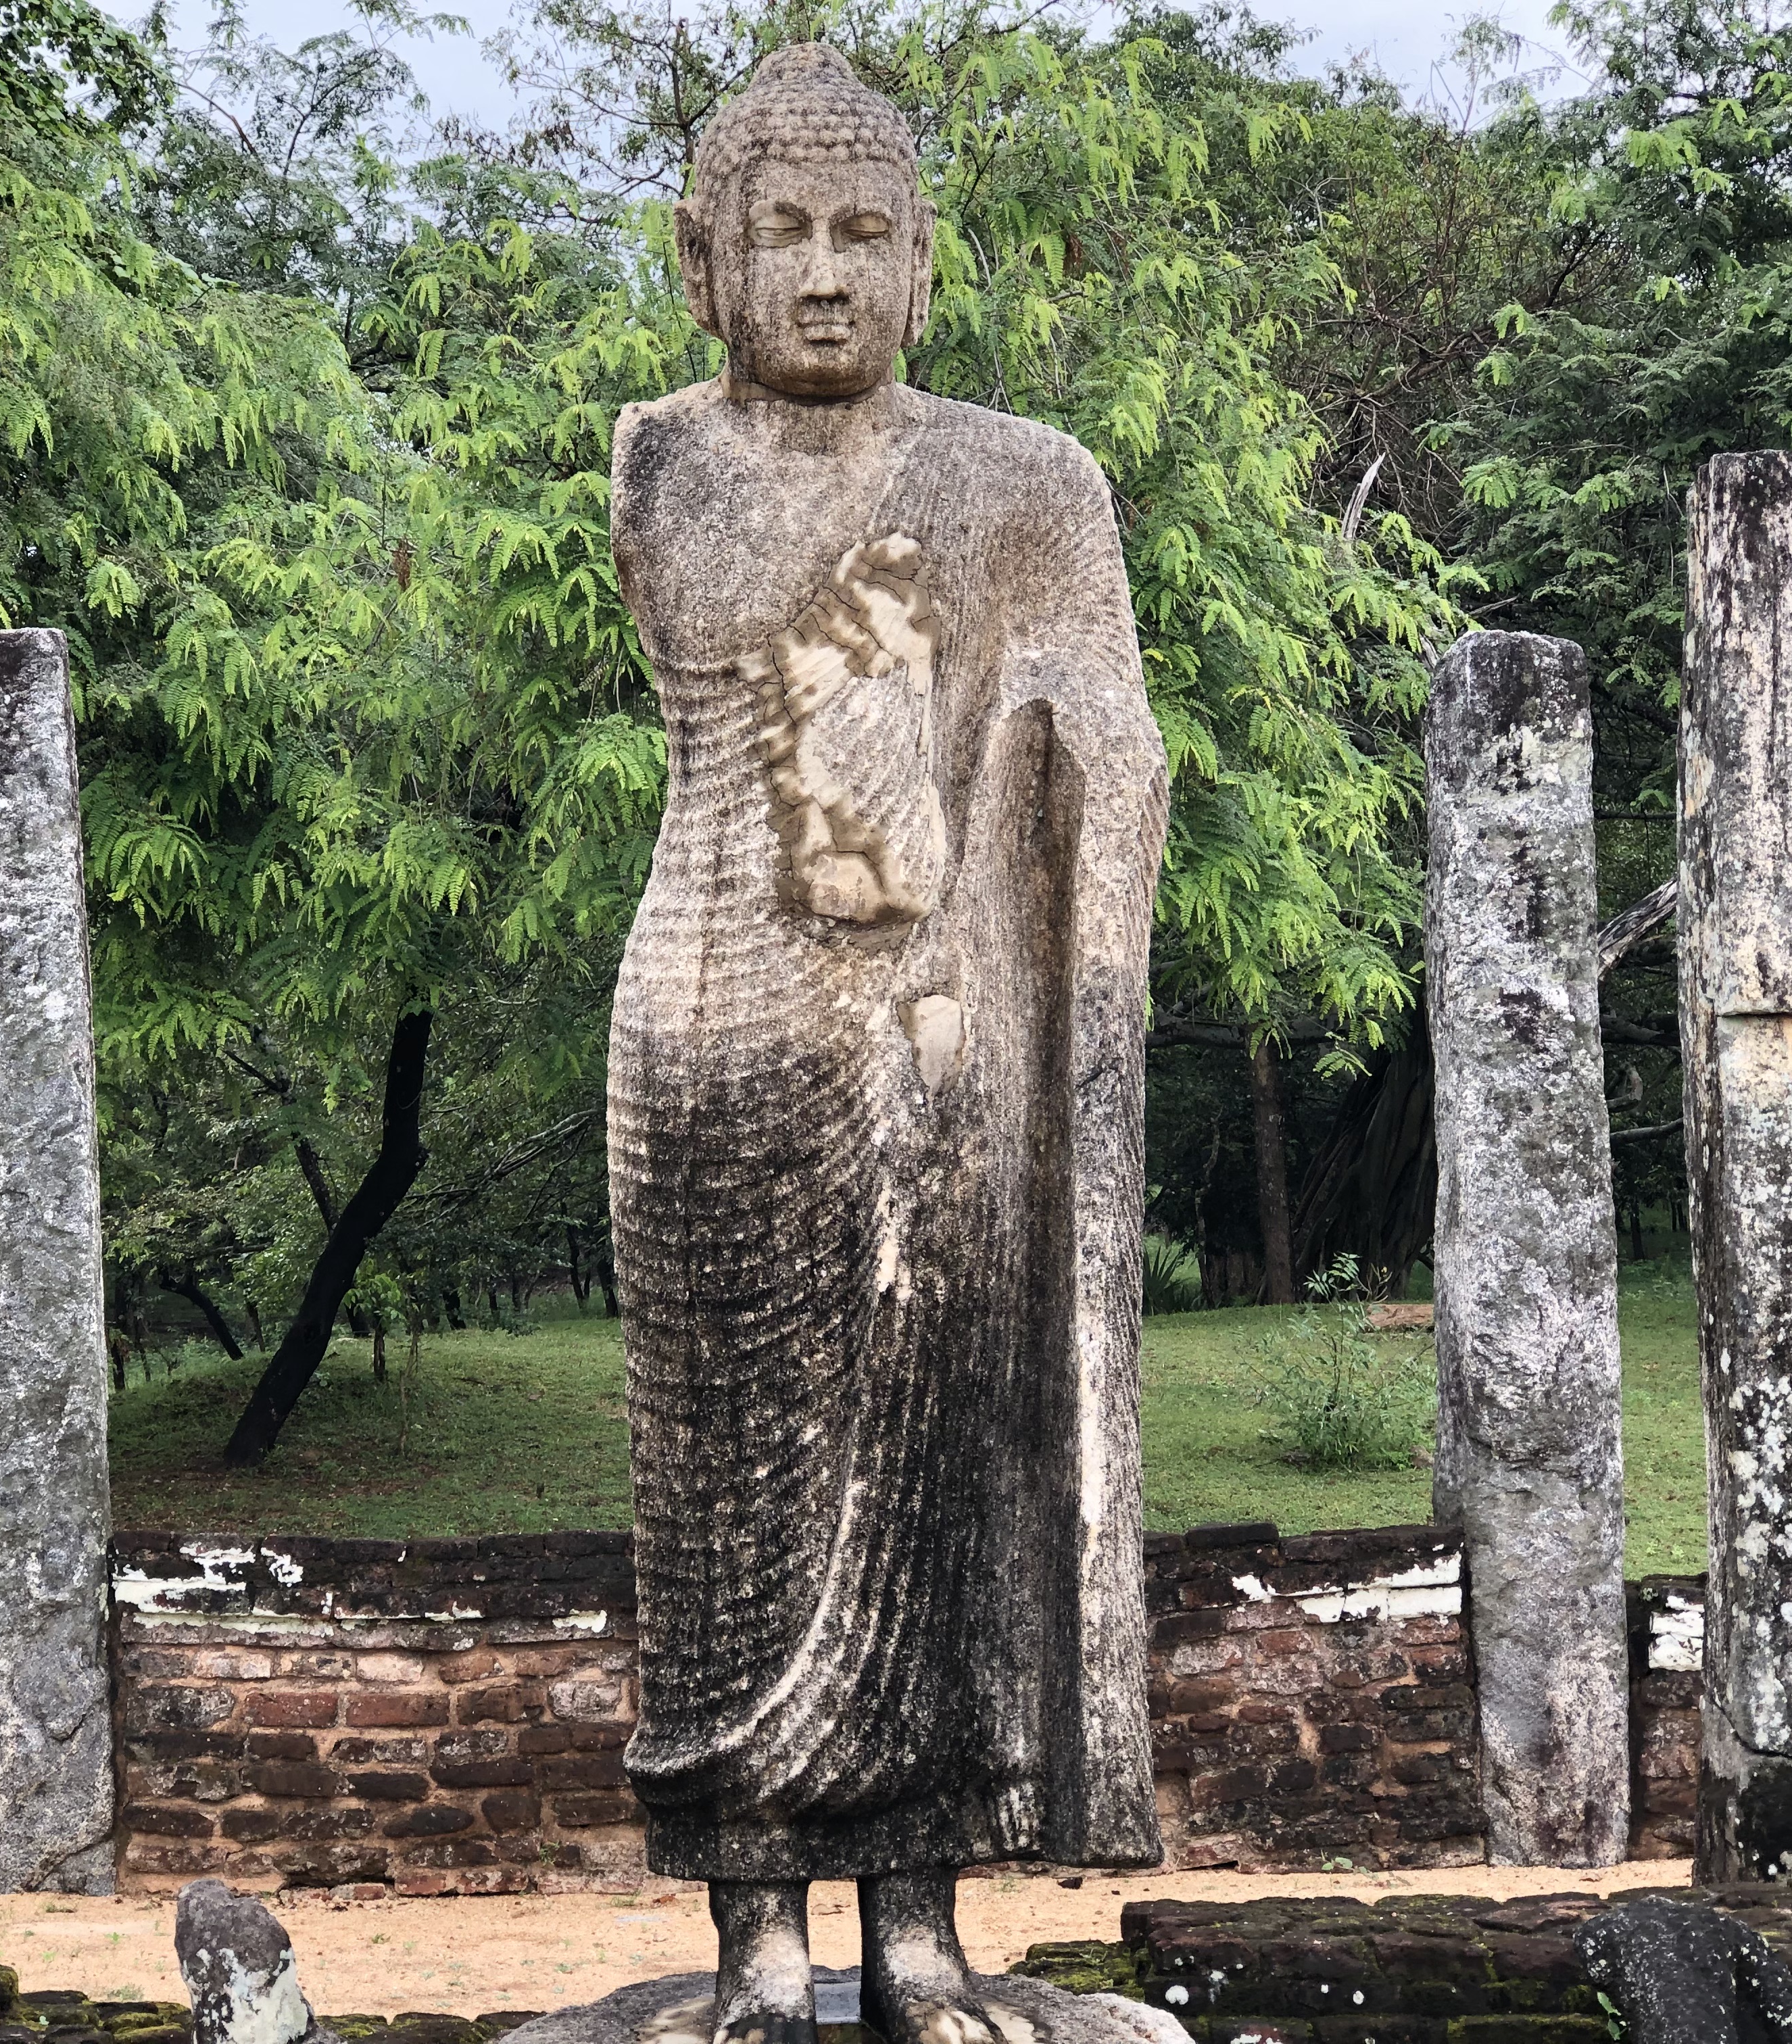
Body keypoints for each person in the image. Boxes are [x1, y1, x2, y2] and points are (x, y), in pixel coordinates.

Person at [606, 43, 1169, 2044]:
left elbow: (1106, 726)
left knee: (938, 1458)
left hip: (938, 1045)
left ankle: (919, 1923)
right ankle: (756, 1933)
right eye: (782, 235)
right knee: (723, 1484)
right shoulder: (666, 457)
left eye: (865, 235)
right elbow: (738, 655)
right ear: (704, 261)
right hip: (711, 1023)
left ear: (931, 263)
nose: (824, 276)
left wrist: (1062, 730)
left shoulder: (1034, 482)